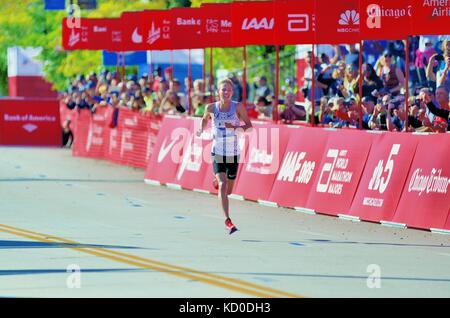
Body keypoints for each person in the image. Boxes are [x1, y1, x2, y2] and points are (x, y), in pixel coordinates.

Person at [196, 79, 253, 234]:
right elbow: (204, 119)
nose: (226, 92)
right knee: (222, 184)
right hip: (217, 151)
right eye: (223, 90)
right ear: (218, 92)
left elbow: (249, 127)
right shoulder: (211, 107)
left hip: (233, 153)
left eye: (228, 90)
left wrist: (234, 127)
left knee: (228, 191)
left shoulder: (238, 107)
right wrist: (200, 129)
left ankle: (218, 180)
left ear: (232, 92)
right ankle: (228, 220)